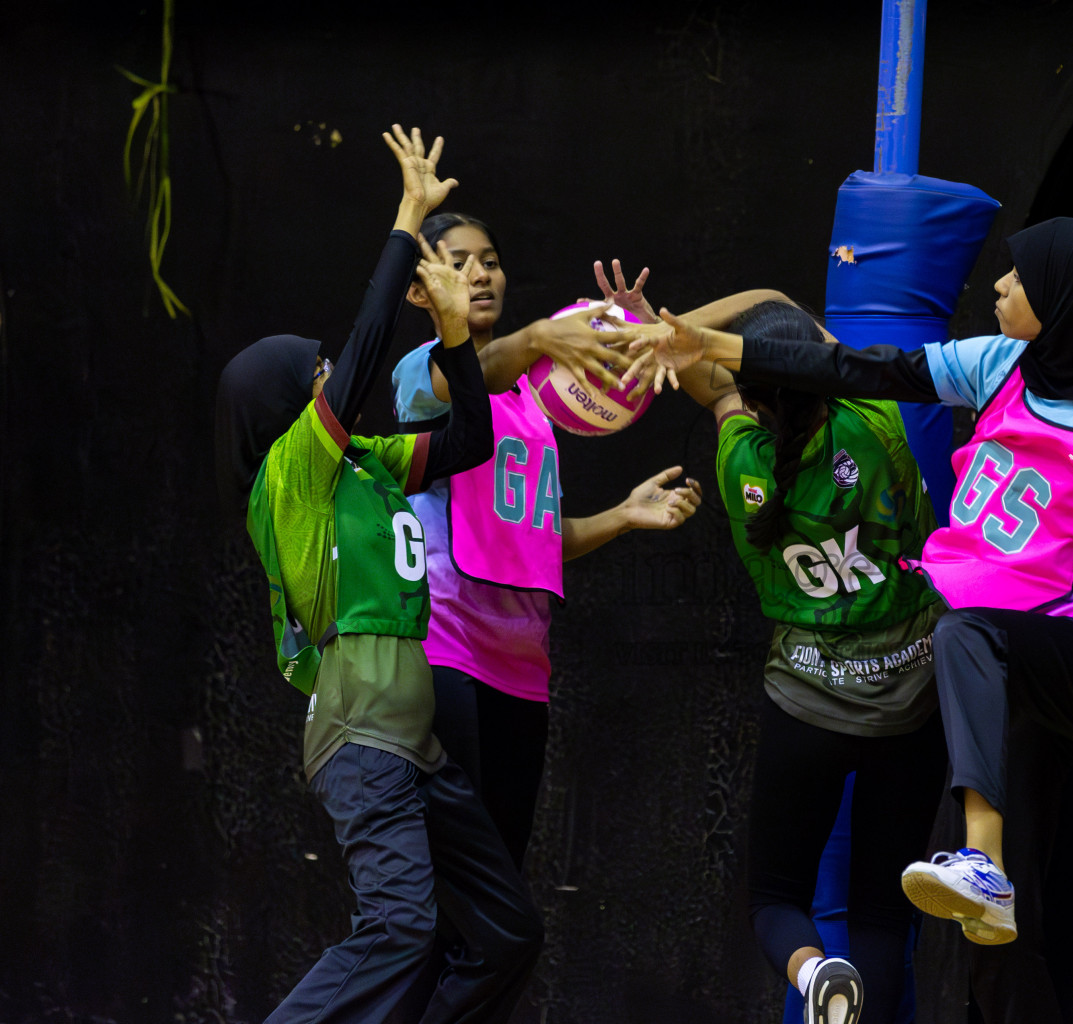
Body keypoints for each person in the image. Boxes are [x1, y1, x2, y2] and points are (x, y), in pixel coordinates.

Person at [620, 218, 1073, 1024]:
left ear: (1063, 305)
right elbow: (857, 365)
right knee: (990, 932)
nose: (998, 287)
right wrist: (717, 346)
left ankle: (978, 864)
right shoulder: (996, 367)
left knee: (964, 637)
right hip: (992, 657)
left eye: (1018, 278)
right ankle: (989, 881)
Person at [213, 125, 543, 1023]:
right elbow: (363, 352)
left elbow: (469, 441)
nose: (331, 377)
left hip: (416, 747)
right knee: (399, 928)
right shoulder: (293, 473)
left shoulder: (360, 462)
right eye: (312, 373)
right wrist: (407, 217)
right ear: (285, 405)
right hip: (362, 739)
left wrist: (456, 345)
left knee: (508, 932)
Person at [660, 295, 948, 1024]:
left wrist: (664, 329)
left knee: (774, 898)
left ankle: (815, 974)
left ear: (753, 398)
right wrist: (728, 339)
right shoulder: (874, 423)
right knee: (886, 910)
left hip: (806, 703)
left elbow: (712, 383)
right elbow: (784, 307)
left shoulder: (739, 461)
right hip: (913, 697)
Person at [391, 240, 703, 870]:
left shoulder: (535, 406)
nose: (479, 274)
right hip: (442, 646)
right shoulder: (420, 375)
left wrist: (621, 517)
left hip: (522, 663)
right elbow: (475, 376)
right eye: (457, 262)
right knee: (450, 878)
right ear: (420, 291)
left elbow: (532, 543)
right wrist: (540, 335)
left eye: (491, 260)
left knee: (502, 877)